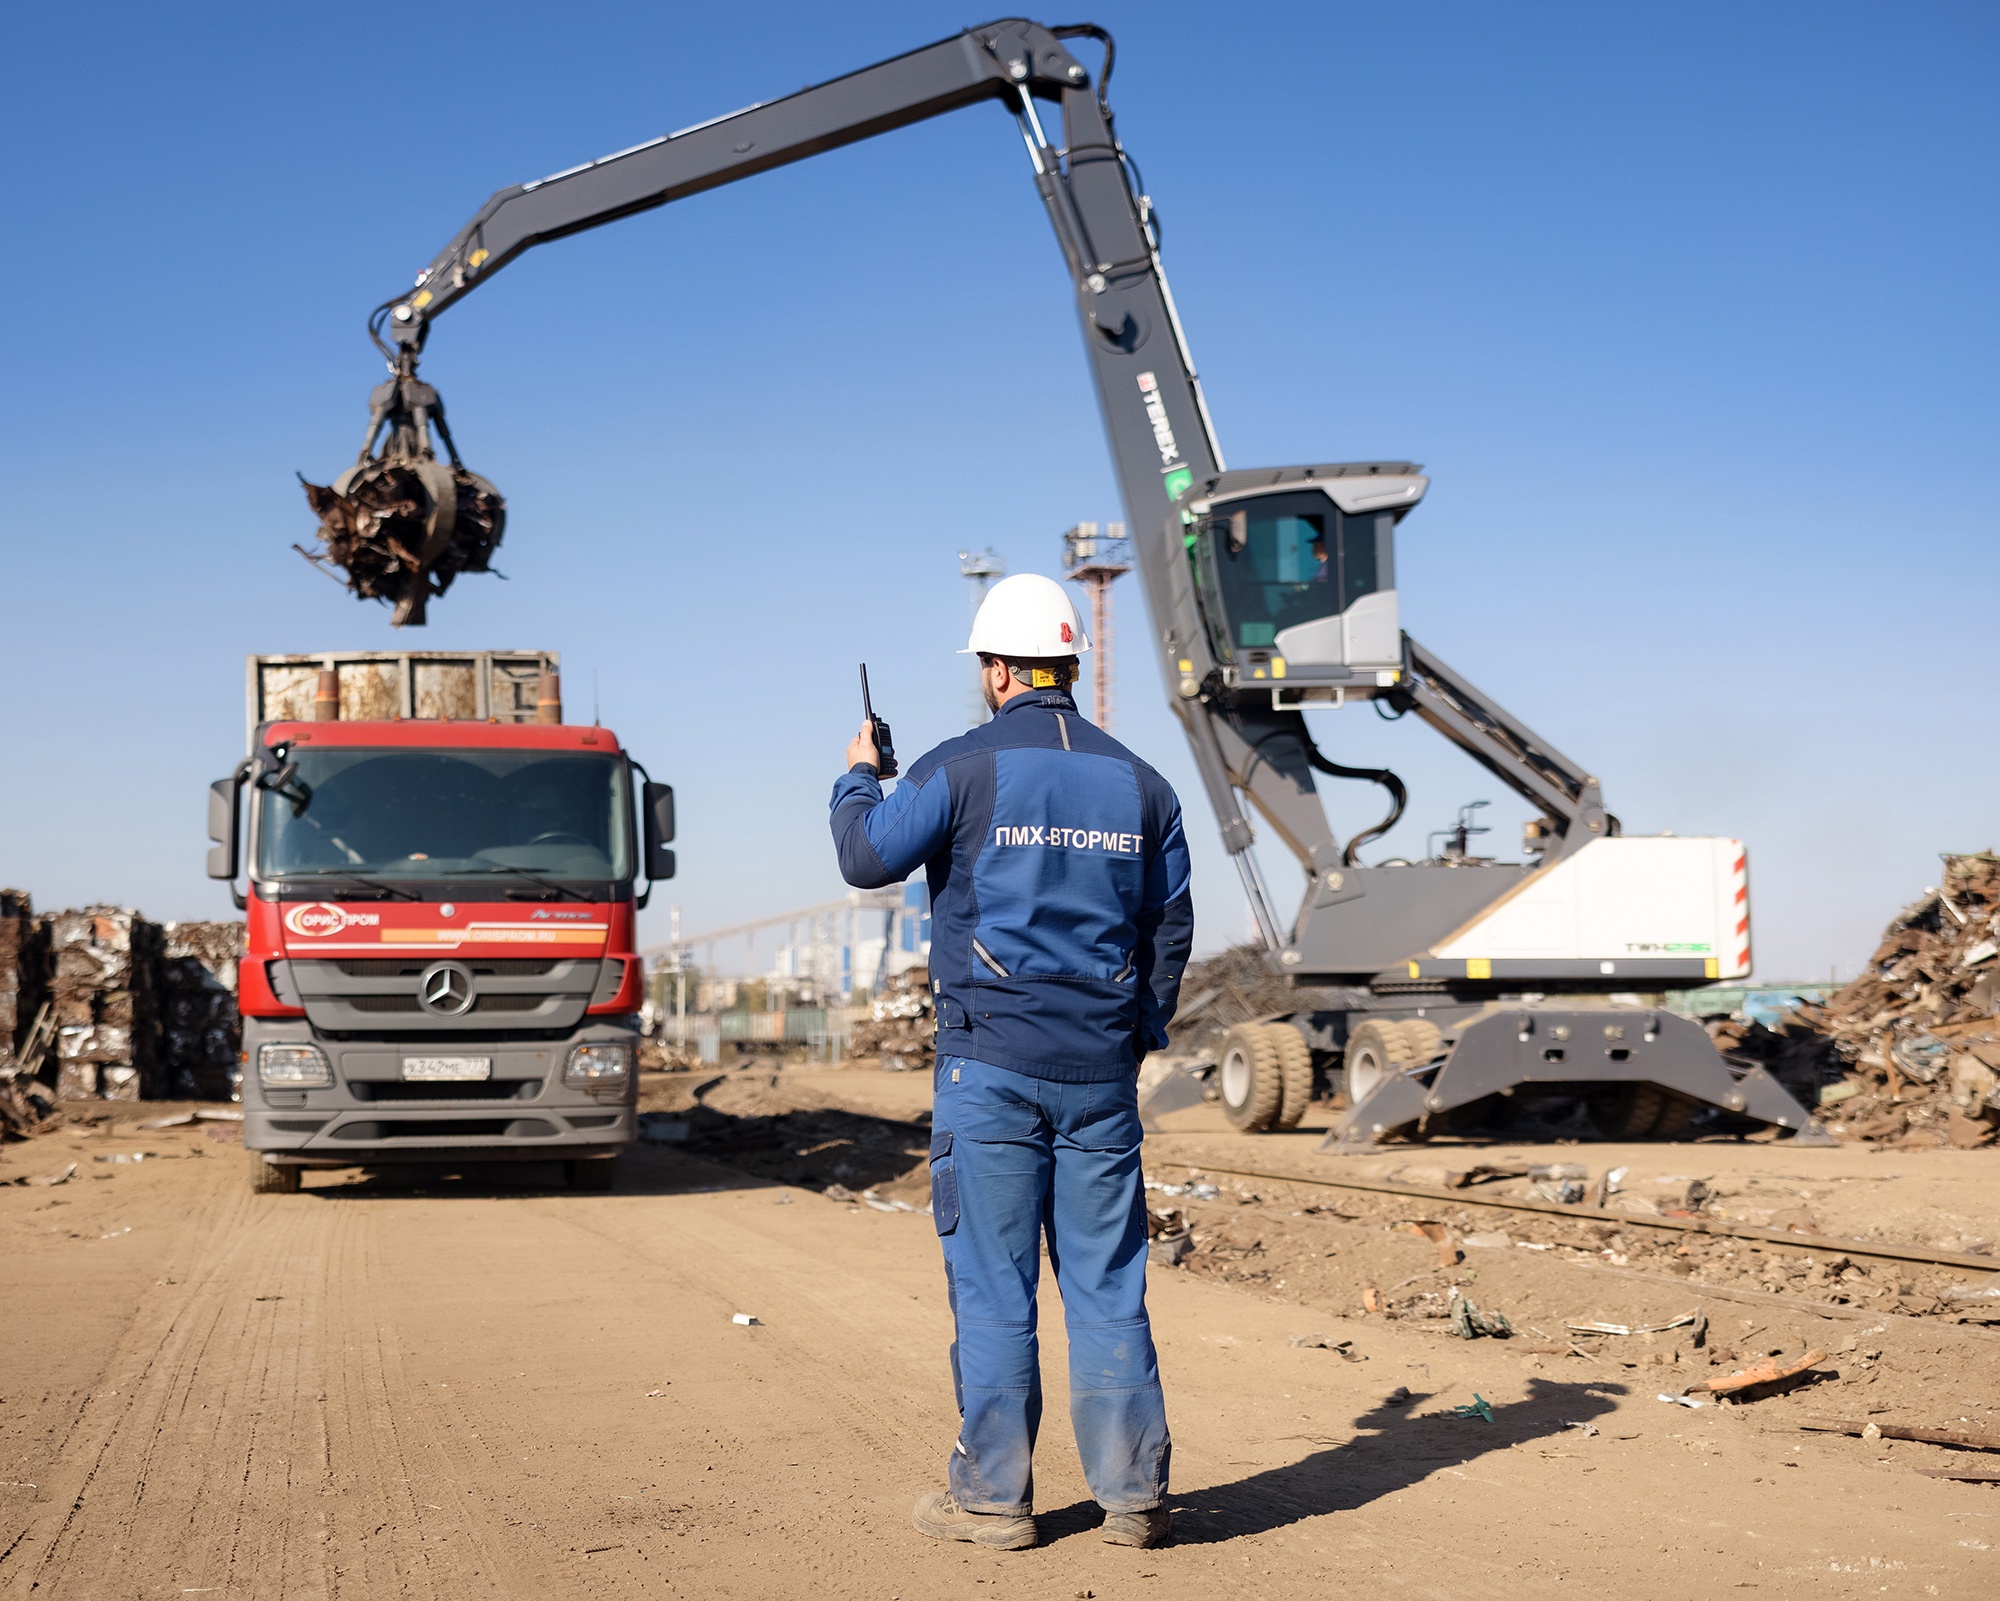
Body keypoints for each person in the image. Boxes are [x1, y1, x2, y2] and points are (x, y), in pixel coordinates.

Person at [828, 573, 1193, 1552]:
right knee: (1107, 1282)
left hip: (987, 1066)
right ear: (1067, 664)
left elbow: (865, 857)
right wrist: (1133, 1034)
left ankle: (993, 1500)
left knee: (996, 1288)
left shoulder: (959, 766)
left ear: (995, 671)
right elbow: (1169, 930)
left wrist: (860, 773)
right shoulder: (1141, 783)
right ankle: (1135, 1499)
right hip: (1097, 1076)